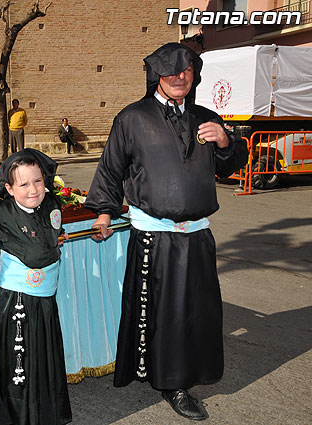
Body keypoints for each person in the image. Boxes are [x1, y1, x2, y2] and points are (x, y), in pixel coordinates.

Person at [85, 43, 248, 421]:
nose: (180, 77)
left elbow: (229, 166)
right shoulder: (132, 118)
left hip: (198, 236)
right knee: (165, 315)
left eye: (187, 71)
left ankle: (192, 373)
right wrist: (104, 215)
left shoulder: (207, 117)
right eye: (172, 71)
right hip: (155, 237)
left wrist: (225, 141)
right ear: (156, 74)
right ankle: (172, 384)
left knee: (196, 313)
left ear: (195, 74)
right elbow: (111, 170)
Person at [0, 148, 72, 425]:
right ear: (9, 189)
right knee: (18, 364)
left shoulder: (51, 202)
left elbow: (50, 228)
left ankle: (42, 415)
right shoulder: (1, 210)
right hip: (17, 302)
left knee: (42, 360)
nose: (33, 189)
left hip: (46, 300)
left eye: (38, 181)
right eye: (23, 184)